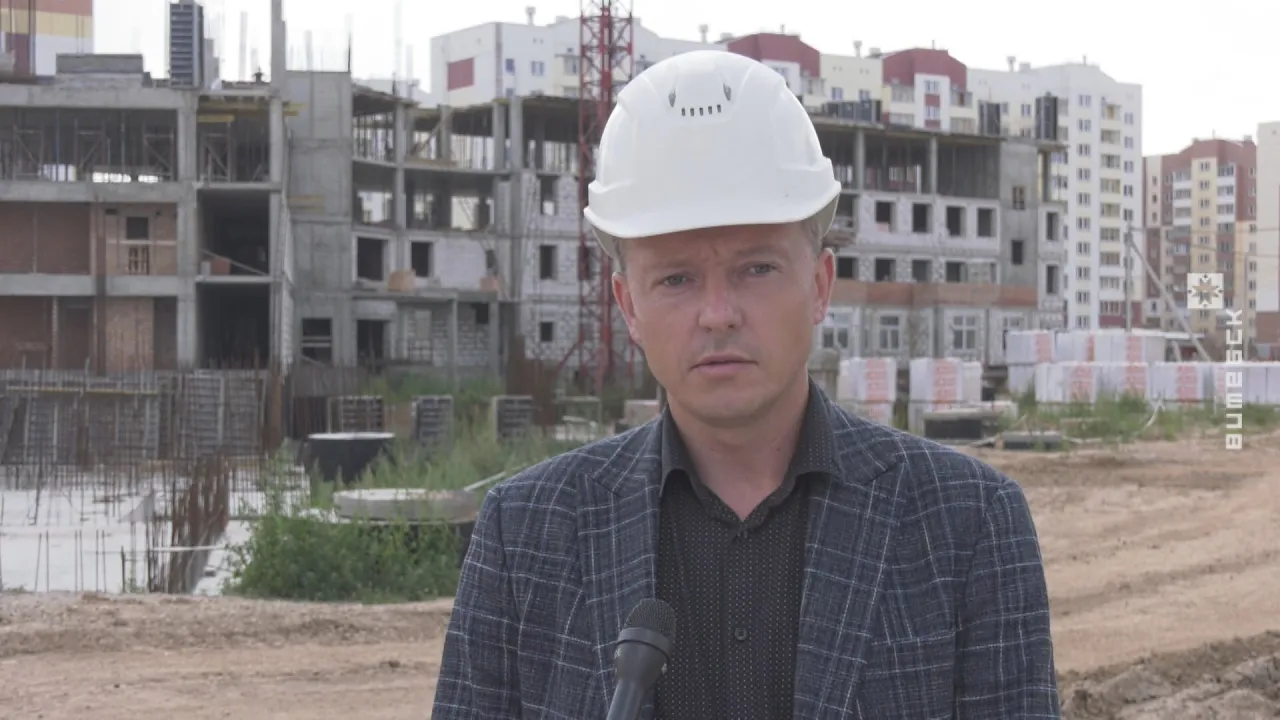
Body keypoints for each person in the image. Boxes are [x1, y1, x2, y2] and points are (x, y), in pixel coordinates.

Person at [432, 49, 1060, 719]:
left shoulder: (967, 525)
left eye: (756, 269)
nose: (718, 313)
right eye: (676, 278)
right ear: (628, 306)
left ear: (819, 285)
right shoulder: (525, 535)